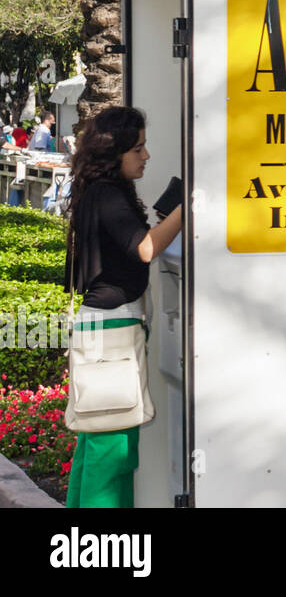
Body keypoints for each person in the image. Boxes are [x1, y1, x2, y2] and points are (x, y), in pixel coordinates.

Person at [64, 106, 183, 508]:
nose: (146, 156)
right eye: (139, 148)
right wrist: (189, 205)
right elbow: (146, 248)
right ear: (114, 152)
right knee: (112, 450)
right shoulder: (108, 193)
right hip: (112, 333)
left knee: (95, 444)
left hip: (104, 330)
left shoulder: (99, 190)